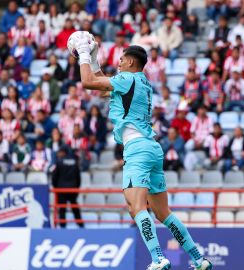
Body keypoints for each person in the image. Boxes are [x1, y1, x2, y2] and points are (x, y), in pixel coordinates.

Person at [74, 33, 211, 269]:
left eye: (120, 59)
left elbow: (88, 82)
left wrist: (83, 53)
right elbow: (102, 86)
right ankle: (199, 259)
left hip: (137, 148)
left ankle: (158, 258)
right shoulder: (141, 82)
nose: (117, 62)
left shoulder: (126, 80)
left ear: (129, 62)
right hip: (152, 148)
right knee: (163, 212)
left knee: (135, 207)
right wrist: (95, 59)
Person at [52, 145, 84, 228]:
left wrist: (55, 187)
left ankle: (62, 226)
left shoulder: (59, 162)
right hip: (73, 188)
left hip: (61, 189)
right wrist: (77, 188)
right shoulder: (74, 161)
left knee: (62, 207)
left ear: (63, 152)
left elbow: (54, 176)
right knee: (74, 206)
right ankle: (80, 224)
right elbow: (78, 177)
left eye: (60, 152)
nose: (58, 154)